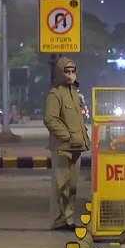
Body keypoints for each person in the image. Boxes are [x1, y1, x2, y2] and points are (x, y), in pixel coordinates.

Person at [44, 57, 90, 230]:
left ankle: (68, 219)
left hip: (76, 148)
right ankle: (59, 220)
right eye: (67, 71)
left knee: (72, 187)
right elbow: (50, 119)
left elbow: (78, 120)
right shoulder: (55, 94)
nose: (70, 74)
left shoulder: (75, 95)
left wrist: (83, 139)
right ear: (60, 73)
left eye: (72, 71)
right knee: (60, 185)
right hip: (63, 148)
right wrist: (68, 136)